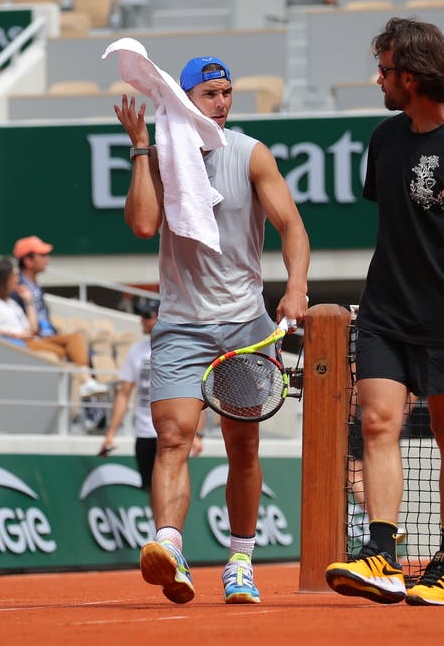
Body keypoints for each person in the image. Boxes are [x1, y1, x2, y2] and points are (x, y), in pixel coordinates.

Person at [323, 17, 444, 607]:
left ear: (410, 76)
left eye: (383, 69)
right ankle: (383, 553)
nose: (376, 78)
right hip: (383, 312)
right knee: (378, 422)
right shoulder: (385, 138)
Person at [113, 54, 310, 605]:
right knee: (172, 438)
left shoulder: (250, 154)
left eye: (227, 92)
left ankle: (240, 561)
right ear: (184, 100)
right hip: (181, 327)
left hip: (246, 324)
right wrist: (142, 148)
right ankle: (170, 548)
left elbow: (292, 226)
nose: (222, 102)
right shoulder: (163, 157)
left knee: (242, 446)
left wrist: (295, 287)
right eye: (210, 94)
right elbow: (144, 224)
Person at [98, 297, 204, 493]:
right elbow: (124, 394)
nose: (141, 320)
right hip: (145, 432)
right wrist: (111, 433)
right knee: (151, 489)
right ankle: (161, 525)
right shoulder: (136, 351)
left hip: (174, 429)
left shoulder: (180, 349)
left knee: (173, 486)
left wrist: (197, 434)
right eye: (141, 315)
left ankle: (170, 525)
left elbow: (196, 392)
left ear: (160, 317)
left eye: (147, 316)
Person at [0, 258, 106, 398]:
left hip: (31, 339)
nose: (17, 279)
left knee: (74, 338)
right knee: (62, 352)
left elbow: (33, 328)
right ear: (2, 278)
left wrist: (29, 301)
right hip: (16, 344)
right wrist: (15, 335)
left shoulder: (12, 302)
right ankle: (84, 383)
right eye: (13, 276)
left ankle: (87, 381)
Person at [11, 235, 103, 378]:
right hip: (33, 339)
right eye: (42, 255)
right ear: (28, 261)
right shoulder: (15, 289)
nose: (47, 260)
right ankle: (86, 383)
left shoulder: (37, 288)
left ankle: (88, 386)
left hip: (48, 335)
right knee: (70, 348)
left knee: (89, 352)